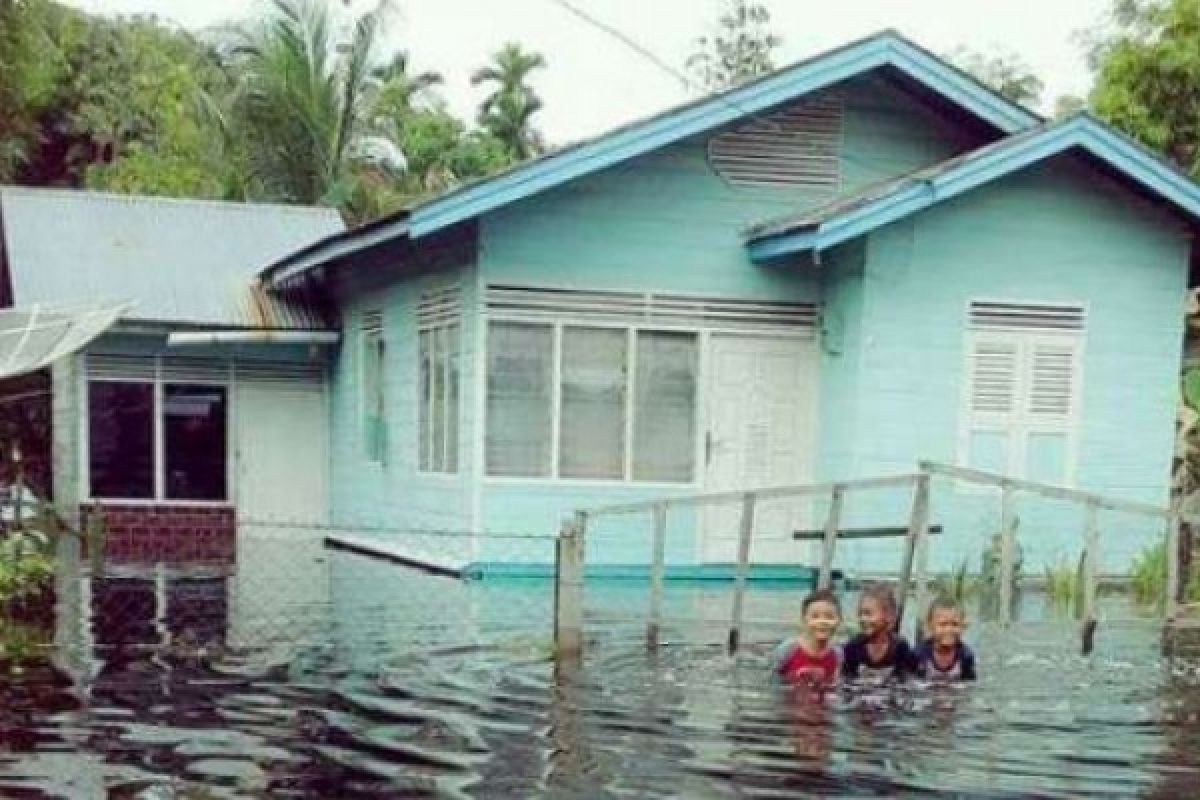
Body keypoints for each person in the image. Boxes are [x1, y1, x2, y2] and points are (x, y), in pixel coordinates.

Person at [841, 583, 916, 683]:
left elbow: (907, 680)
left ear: (889, 616)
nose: (863, 619)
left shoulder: (900, 647)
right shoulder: (853, 647)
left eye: (868, 614)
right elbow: (846, 680)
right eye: (860, 613)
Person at [771, 588, 842, 686]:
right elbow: (772, 680)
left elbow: (835, 683)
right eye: (815, 616)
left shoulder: (837, 653)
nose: (822, 621)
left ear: (839, 621)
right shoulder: (788, 649)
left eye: (829, 616)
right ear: (804, 620)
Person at [914, 595, 977, 682]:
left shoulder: (965, 656)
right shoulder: (919, 654)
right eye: (943, 624)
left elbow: (969, 684)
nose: (949, 630)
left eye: (955, 624)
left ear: (963, 627)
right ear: (930, 626)